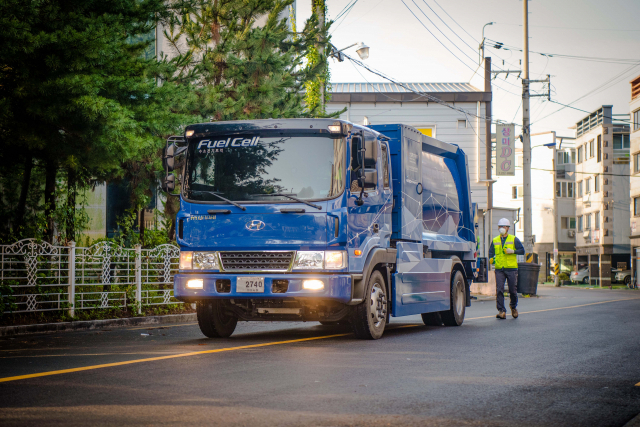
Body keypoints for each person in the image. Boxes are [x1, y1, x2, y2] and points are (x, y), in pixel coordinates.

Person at [489, 218, 525, 319]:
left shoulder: (514, 239)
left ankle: (513, 307)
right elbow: (491, 252)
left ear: (508, 228)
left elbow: (522, 251)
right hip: (499, 269)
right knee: (499, 289)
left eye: (503, 226)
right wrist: (491, 259)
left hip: (511, 268)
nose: (501, 228)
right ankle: (501, 311)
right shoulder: (495, 240)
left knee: (512, 290)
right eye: (500, 226)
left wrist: (513, 251)